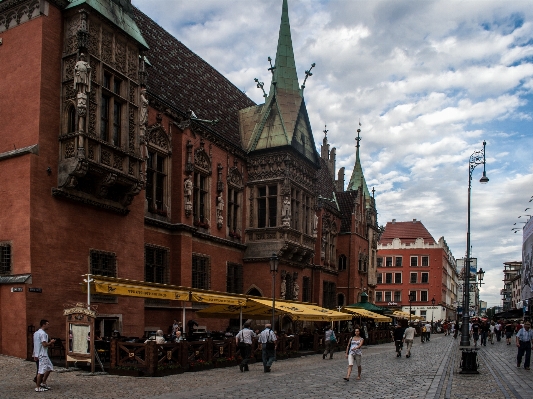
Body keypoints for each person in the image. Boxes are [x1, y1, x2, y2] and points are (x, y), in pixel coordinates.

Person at [33, 319, 55, 392]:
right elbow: (44, 344)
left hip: (39, 353)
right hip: (42, 354)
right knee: (41, 371)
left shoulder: (36, 333)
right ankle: (38, 386)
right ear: (43, 324)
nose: (49, 325)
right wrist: (51, 342)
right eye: (47, 324)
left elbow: (36, 344)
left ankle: (43, 382)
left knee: (49, 367)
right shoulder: (43, 334)